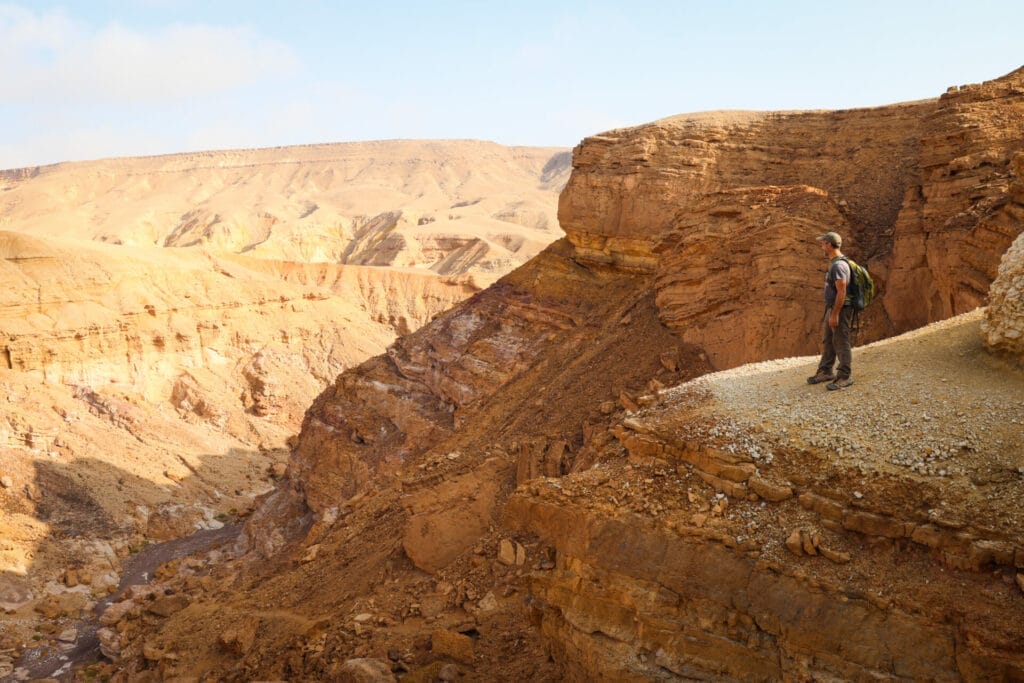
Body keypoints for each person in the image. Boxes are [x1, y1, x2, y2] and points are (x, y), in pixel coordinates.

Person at [807, 231, 855, 390]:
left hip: (840, 309)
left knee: (841, 340)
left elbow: (842, 291)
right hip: (833, 308)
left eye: (822, 243)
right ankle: (826, 371)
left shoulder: (839, 265)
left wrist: (835, 313)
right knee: (828, 340)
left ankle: (844, 376)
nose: (821, 245)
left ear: (828, 244)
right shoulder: (835, 263)